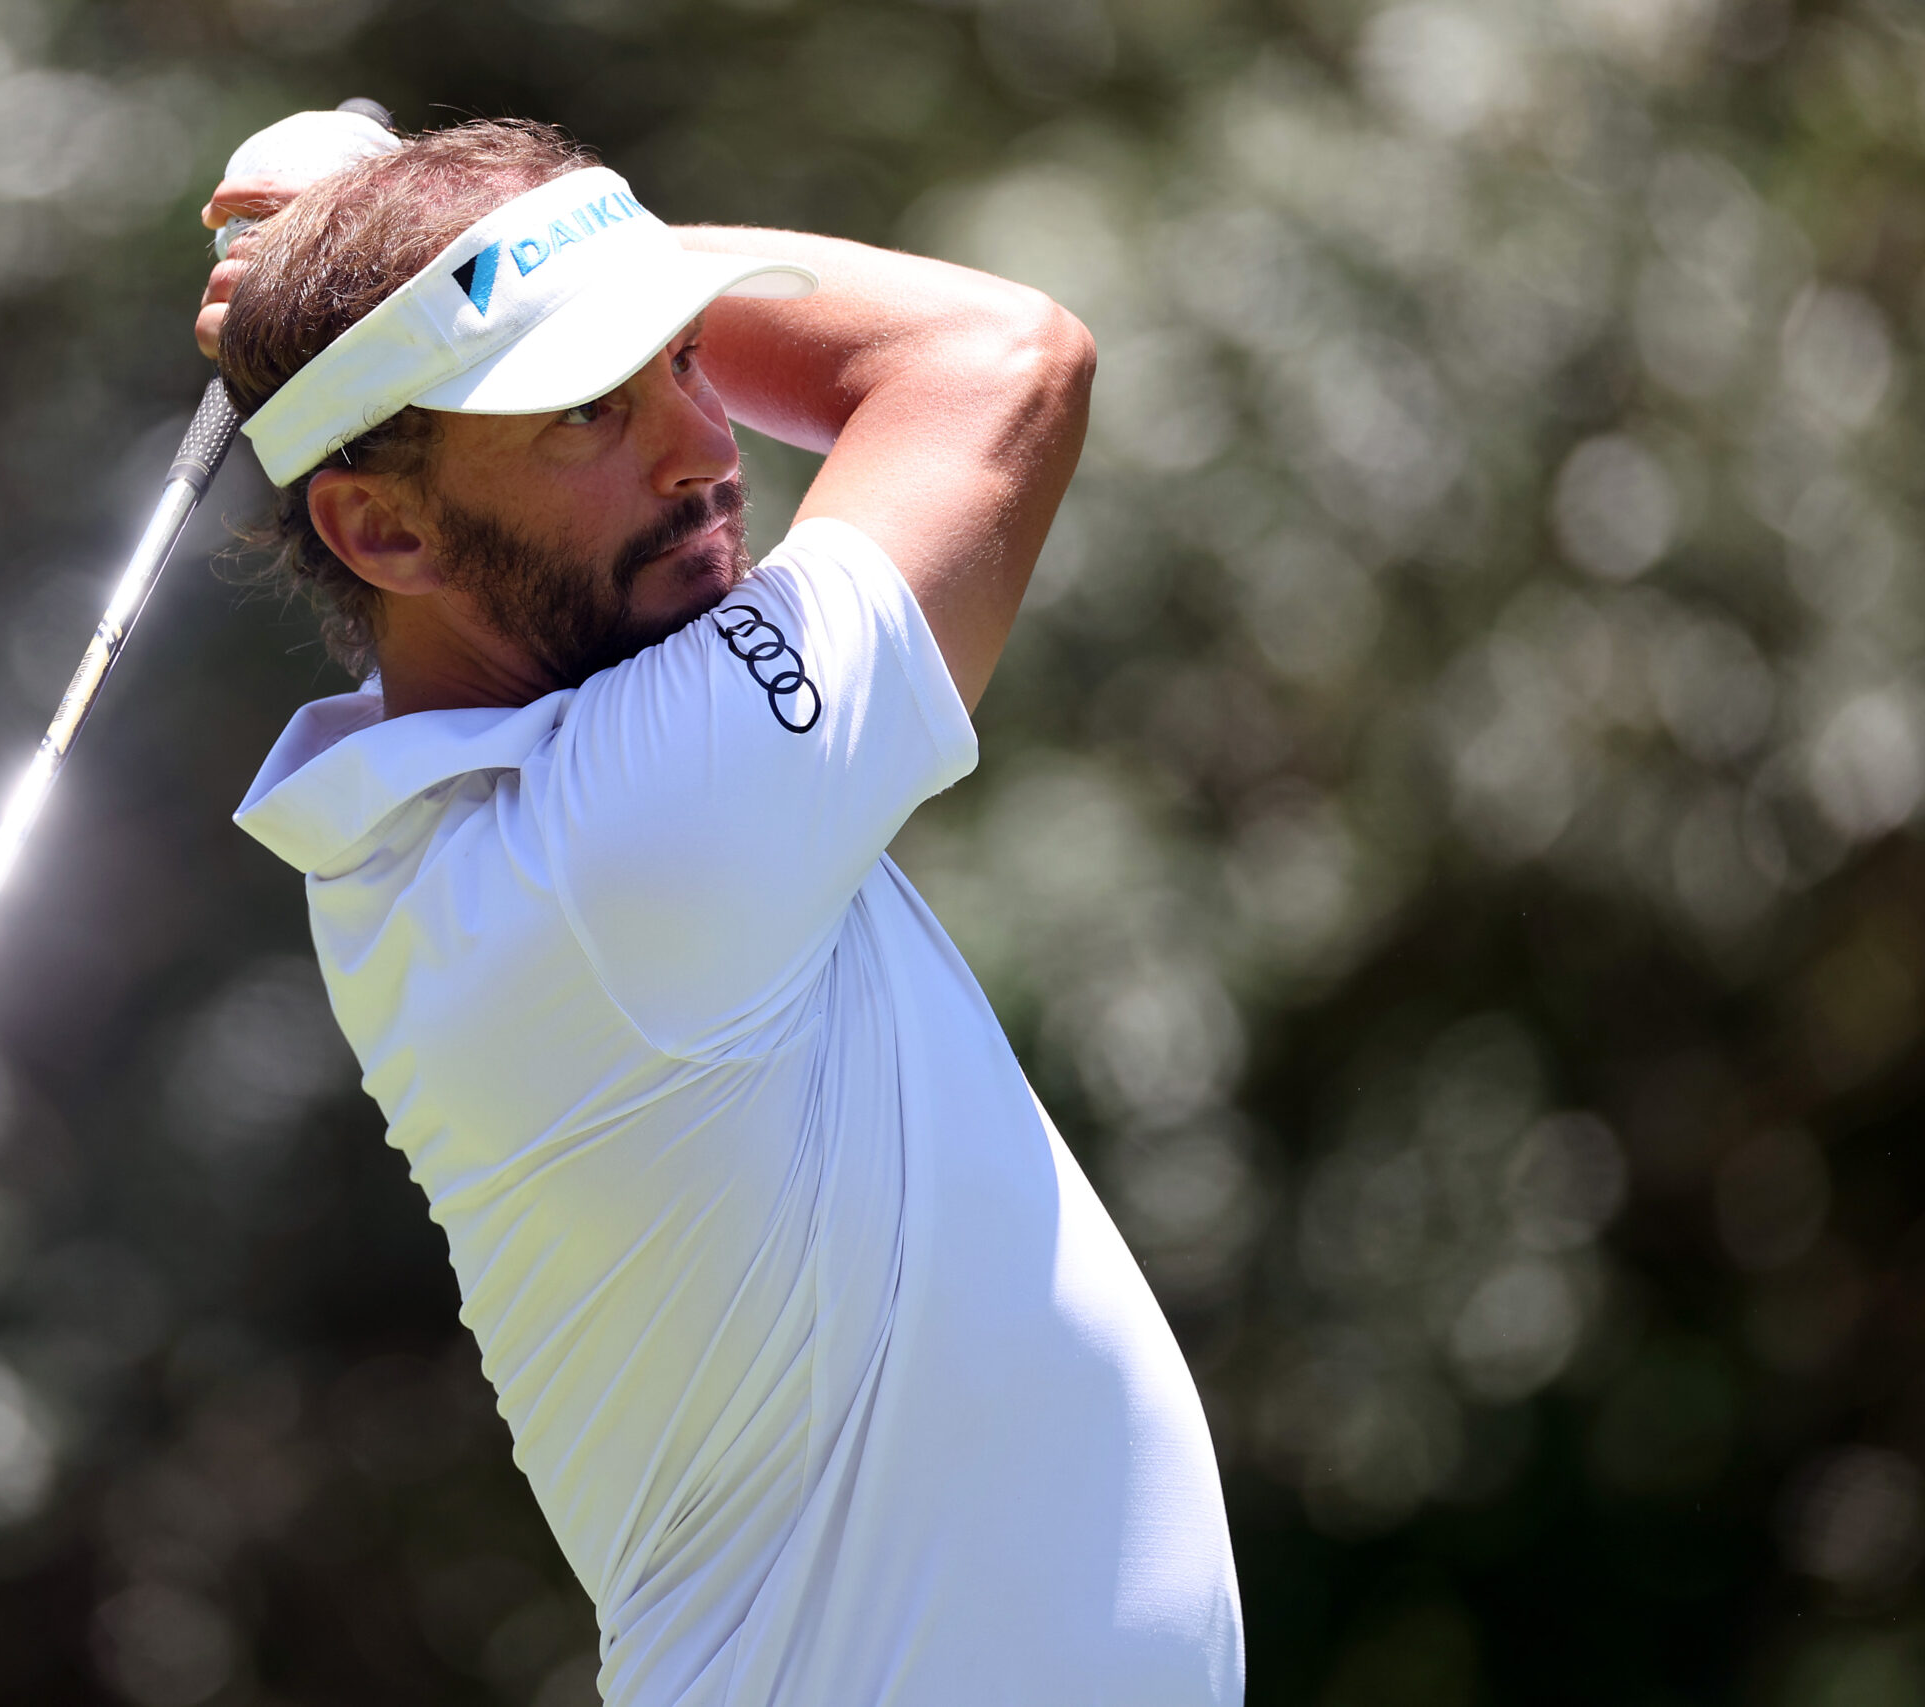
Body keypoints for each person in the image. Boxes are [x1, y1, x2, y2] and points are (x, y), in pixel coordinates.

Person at [196, 118, 1243, 1706]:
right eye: (591, 411)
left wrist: (442, 251)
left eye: (688, 357)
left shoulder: (477, 790)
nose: (703, 444)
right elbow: (1003, 358)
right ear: (381, 530)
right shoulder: (625, 846)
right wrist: (408, 205)